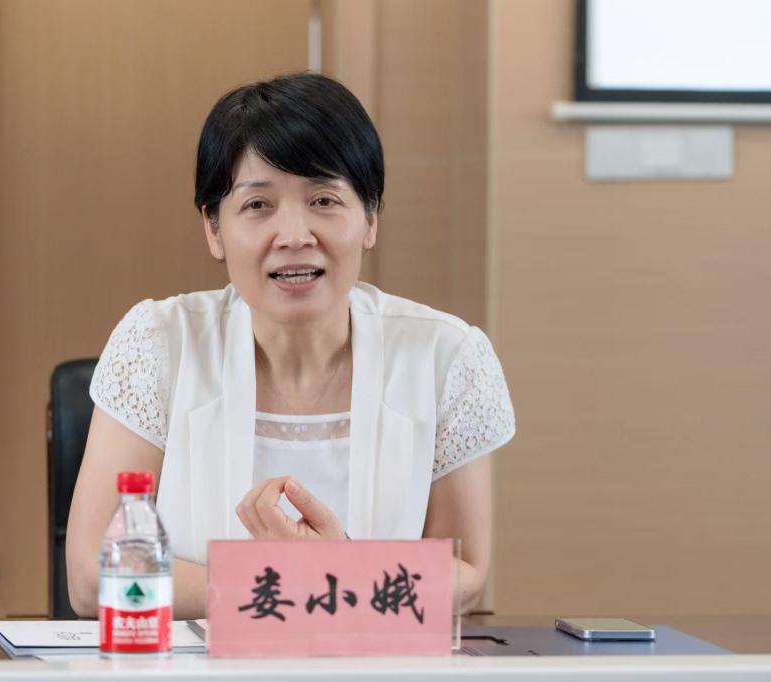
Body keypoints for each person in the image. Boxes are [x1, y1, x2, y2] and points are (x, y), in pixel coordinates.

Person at [66, 72, 515, 620]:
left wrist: (325, 571)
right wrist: (310, 582)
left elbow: (463, 574)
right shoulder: (159, 343)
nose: (295, 236)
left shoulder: (446, 356)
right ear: (213, 228)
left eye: (324, 199)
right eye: (258, 205)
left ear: (370, 219)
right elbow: (92, 575)